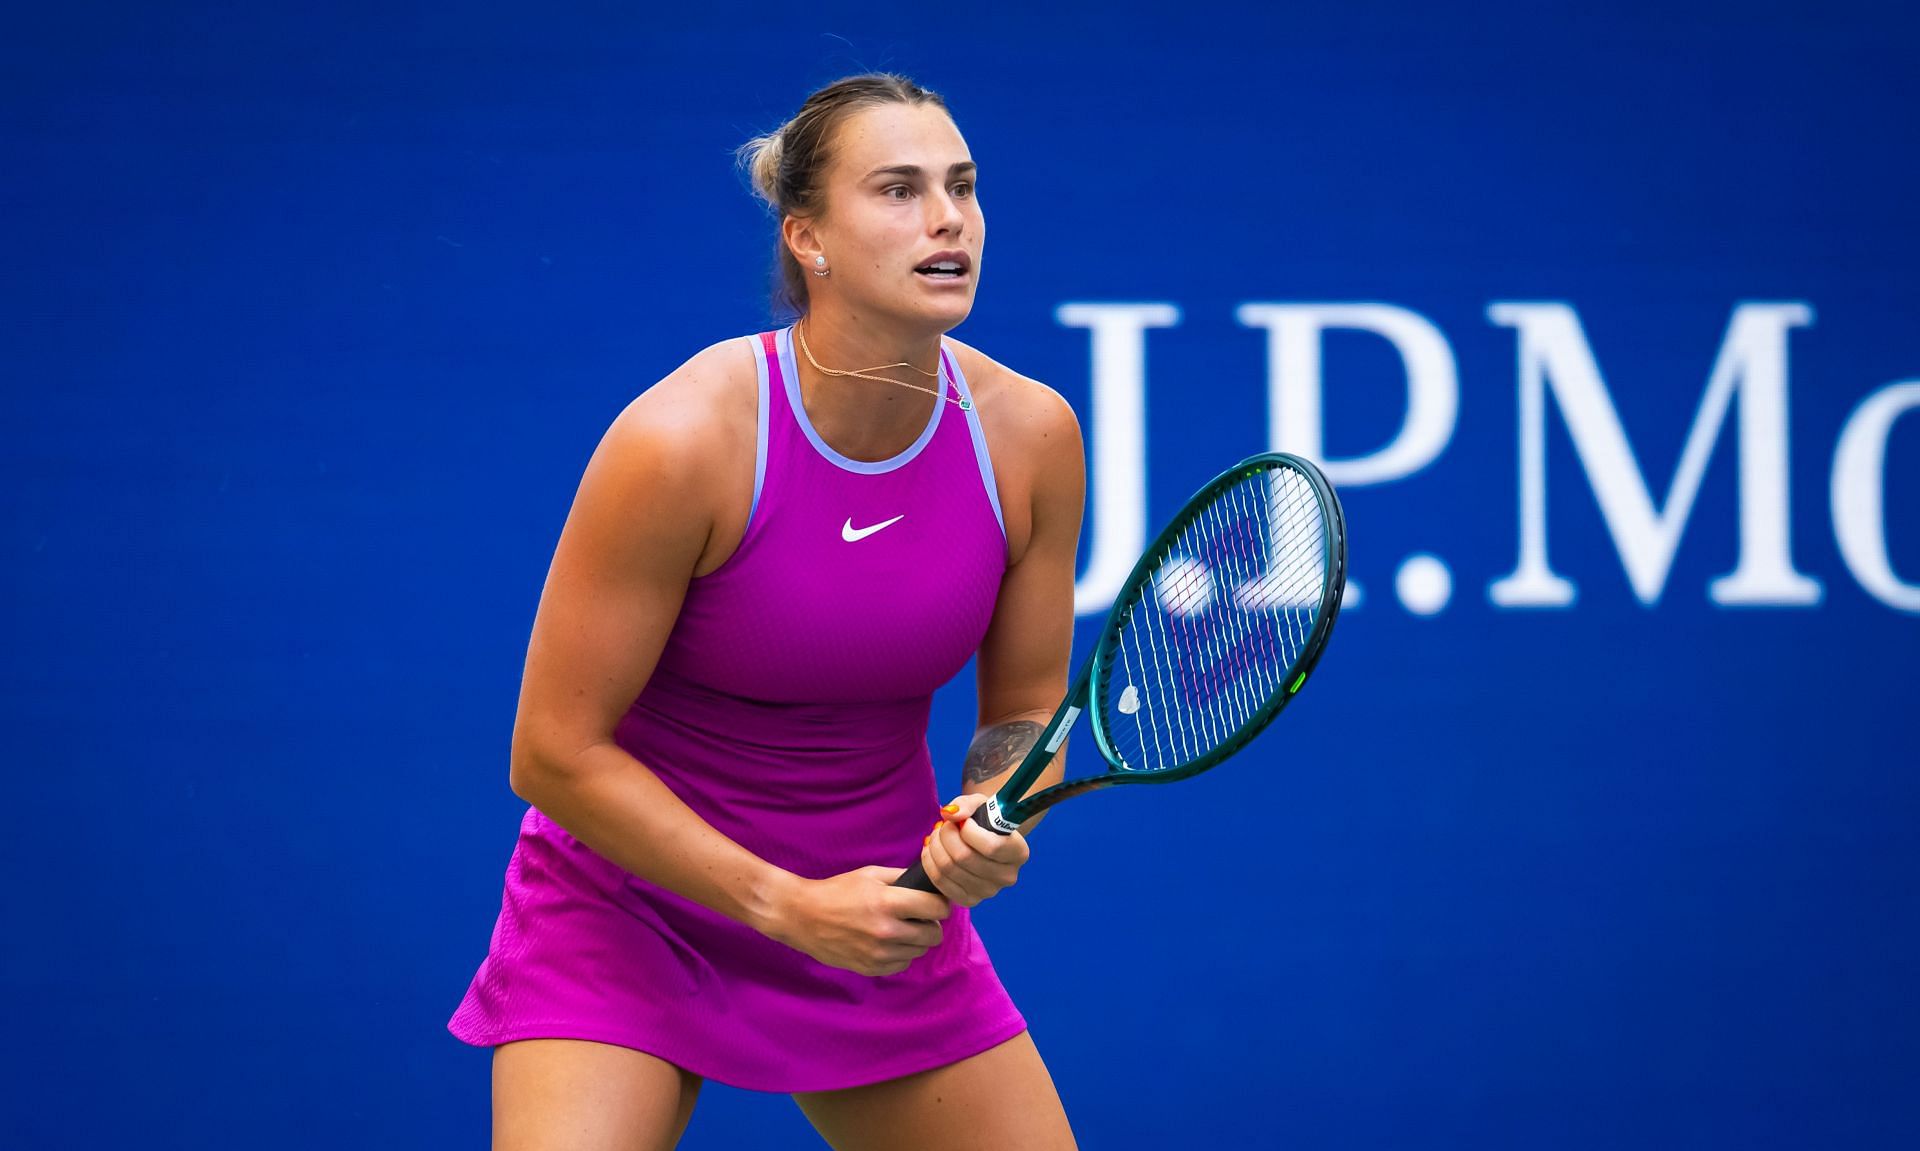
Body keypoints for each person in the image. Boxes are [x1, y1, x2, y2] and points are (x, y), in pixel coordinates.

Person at [448, 72, 1084, 1150]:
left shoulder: (1029, 435)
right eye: (898, 189)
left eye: (963, 187)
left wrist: (994, 809)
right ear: (808, 238)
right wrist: (783, 902)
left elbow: (1023, 704)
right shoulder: (685, 439)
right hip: (631, 905)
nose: (948, 220)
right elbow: (552, 752)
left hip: (882, 905)